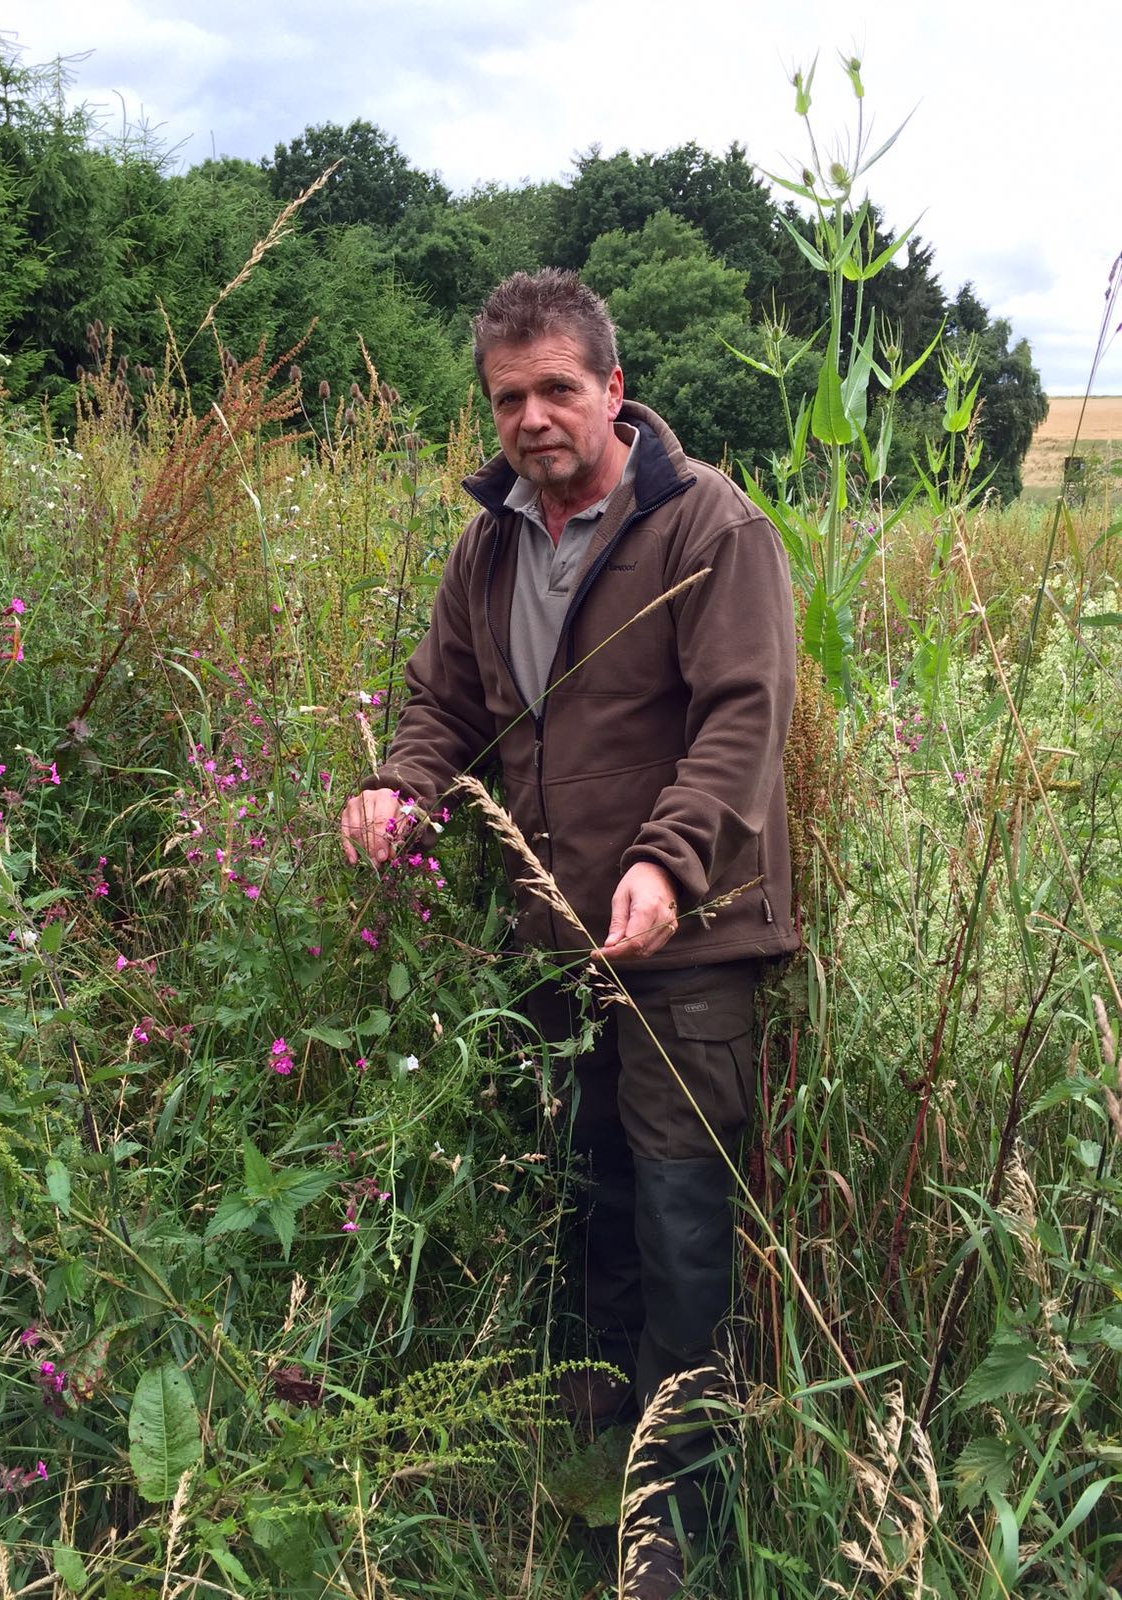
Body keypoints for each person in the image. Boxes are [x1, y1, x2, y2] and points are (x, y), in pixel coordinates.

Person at [341, 269, 797, 1598]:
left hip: (690, 934)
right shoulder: (488, 546)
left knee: (678, 1211)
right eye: (507, 399)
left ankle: (674, 1522)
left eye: (556, 389)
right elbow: (443, 704)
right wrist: (396, 786)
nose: (533, 419)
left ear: (612, 385)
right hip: (553, 937)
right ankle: (590, 1439)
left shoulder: (709, 525)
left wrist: (667, 865)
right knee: (582, 1192)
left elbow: (740, 721)